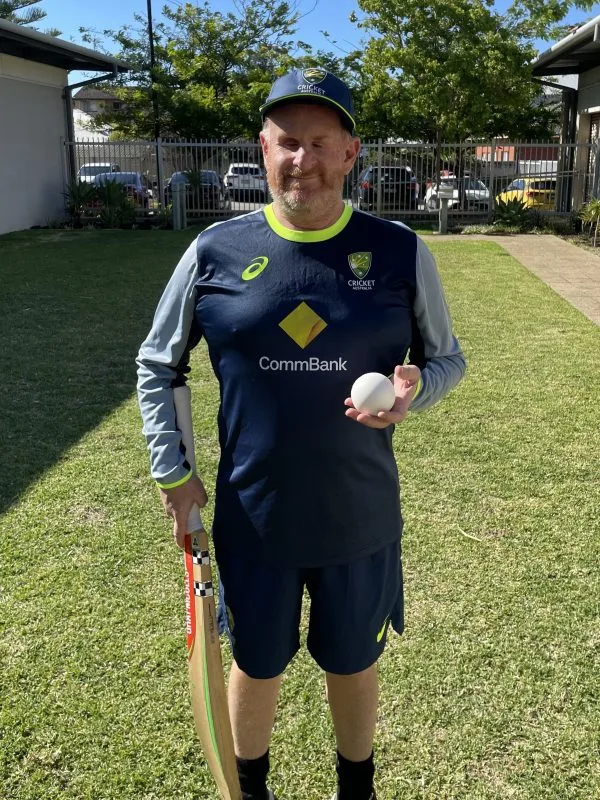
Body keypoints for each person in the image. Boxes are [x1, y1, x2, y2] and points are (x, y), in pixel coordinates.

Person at [137, 67, 466, 800]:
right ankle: (249, 790)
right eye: (288, 142)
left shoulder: (400, 250)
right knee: (257, 661)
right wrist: (173, 474)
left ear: (351, 153)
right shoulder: (214, 252)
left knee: (353, 660)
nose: (302, 160)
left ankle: (358, 788)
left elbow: (447, 359)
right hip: (256, 516)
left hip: (361, 515)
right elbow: (157, 364)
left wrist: (415, 388)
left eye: (321, 142)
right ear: (263, 149)